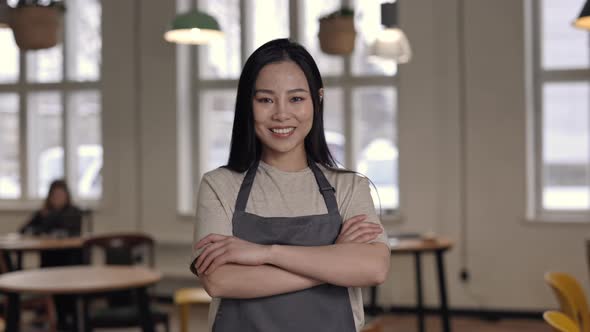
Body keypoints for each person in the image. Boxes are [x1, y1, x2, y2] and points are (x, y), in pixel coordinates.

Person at [191, 38, 391, 332]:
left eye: (296, 98)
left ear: (317, 99)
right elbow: (220, 280)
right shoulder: (219, 186)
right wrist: (334, 260)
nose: (281, 114)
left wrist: (266, 253)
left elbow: (374, 268)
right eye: (265, 100)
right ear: (248, 104)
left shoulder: (349, 187)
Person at [19, 179, 83, 331]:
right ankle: (53, 315)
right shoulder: (43, 213)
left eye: (61, 195)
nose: (58, 199)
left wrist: (48, 219)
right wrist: (43, 222)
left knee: (64, 279)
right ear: (50, 197)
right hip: (48, 263)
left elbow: (69, 230)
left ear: (67, 196)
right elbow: (24, 230)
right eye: (55, 195)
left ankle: (67, 317)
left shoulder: (73, 212)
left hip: (69, 263)